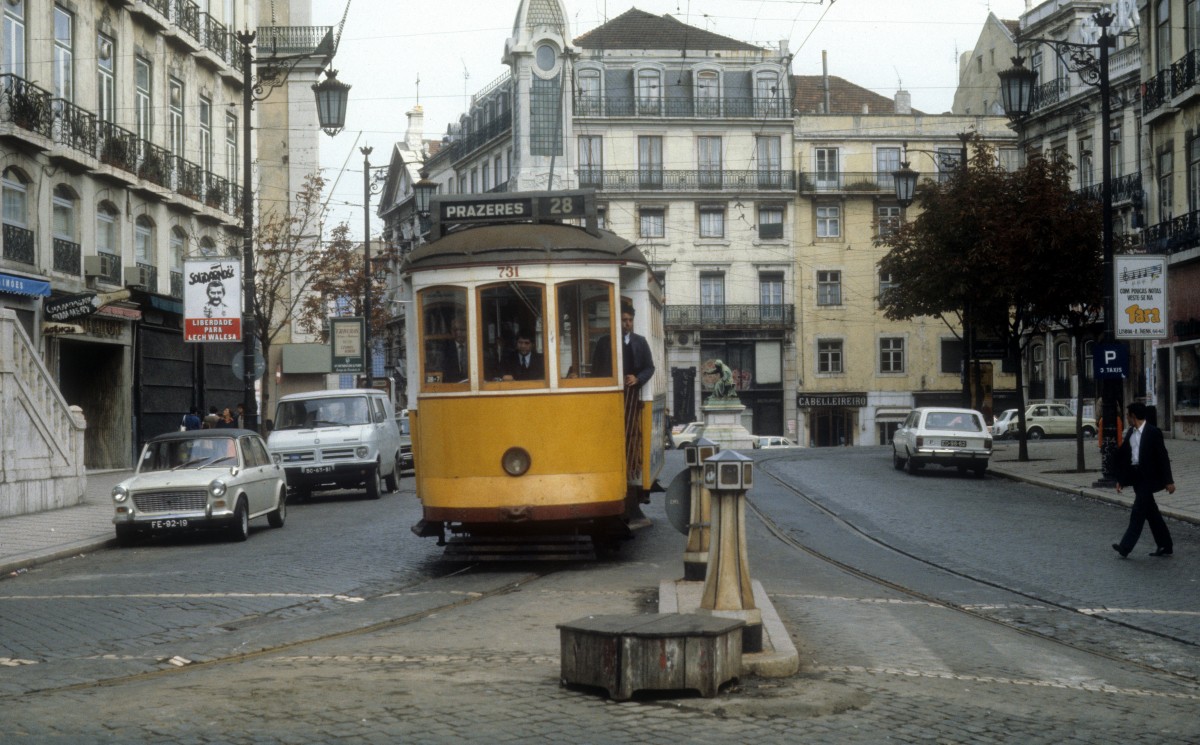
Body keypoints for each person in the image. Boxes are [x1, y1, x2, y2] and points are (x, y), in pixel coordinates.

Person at [1112, 402, 1175, 558]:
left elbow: (1163, 457)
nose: (1126, 418)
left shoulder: (1153, 432)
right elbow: (1126, 458)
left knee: (1138, 511)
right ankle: (1165, 544)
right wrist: (1121, 480)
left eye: (1127, 415)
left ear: (1133, 416)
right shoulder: (1130, 433)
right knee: (1151, 513)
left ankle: (1125, 547)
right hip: (1137, 477)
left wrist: (1169, 481)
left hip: (1149, 478)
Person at [591, 305, 655, 388]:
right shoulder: (603, 342)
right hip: (610, 390)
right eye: (624, 320)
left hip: (632, 391)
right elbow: (596, 369)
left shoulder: (641, 341)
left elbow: (650, 367)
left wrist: (637, 379)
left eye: (630, 320)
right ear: (617, 320)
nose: (628, 324)